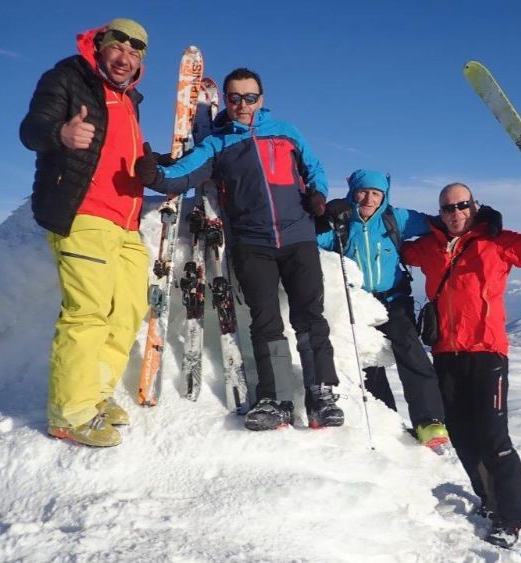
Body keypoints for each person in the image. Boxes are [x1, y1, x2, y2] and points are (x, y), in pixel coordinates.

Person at [136, 68, 343, 432]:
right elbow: (186, 171)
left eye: (250, 97)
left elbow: (314, 167)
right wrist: (155, 177)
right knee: (265, 322)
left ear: (261, 99)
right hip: (252, 244)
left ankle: (321, 395)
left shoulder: (286, 131)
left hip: (299, 238)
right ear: (227, 101)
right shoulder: (218, 143)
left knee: (311, 317)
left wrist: (319, 194)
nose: (242, 105)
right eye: (234, 98)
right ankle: (276, 400)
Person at [400, 167, 521, 548]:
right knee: (461, 436)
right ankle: (489, 502)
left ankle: (511, 517)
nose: (455, 213)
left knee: (493, 438)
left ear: (474, 206)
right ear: (440, 213)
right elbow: (394, 250)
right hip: (445, 354)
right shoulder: (428, 247)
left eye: (462, 205)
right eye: (448, 208)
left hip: (487, 354)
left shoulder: (497, 242)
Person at [19, 18, 151, 448]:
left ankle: (94, 395)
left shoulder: (129, 101)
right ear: (100, 46)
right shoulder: (66, 78)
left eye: (134, 52)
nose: (125, 58)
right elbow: (31, 129)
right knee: (87, 312)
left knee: (128, 310)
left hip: (126, 223)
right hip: (85, 213)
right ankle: (69, 414)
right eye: (118, 48)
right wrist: (61, 133)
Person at [318, 169, 501, 449]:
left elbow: (441, 223)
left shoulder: (397, 218)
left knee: (410, 350)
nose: (369, 199)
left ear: (385, 196)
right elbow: (309, 240)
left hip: (394, 299)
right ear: (352, 192)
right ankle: (385, 420)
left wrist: (482, 218)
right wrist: (322, 218)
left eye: (376, 193)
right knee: (367, 359)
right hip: (357, 303)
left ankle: (429, 421)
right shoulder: (340, 222)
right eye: (363, 192)